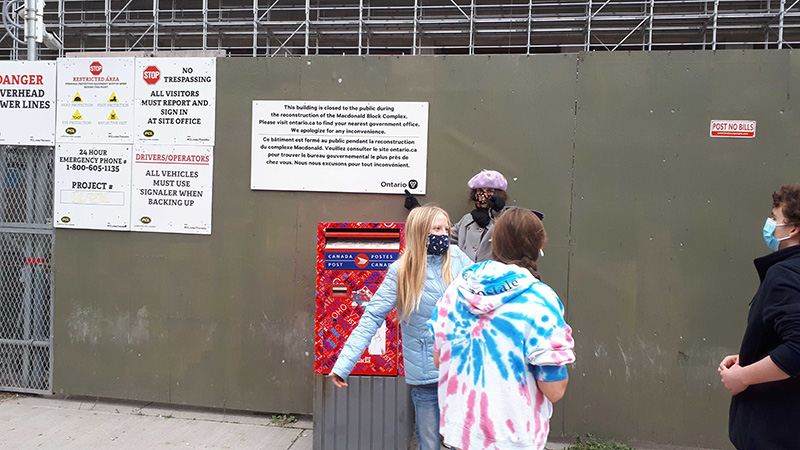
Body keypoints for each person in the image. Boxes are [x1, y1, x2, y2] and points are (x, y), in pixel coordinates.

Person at [430, 207, 575, 450]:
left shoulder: (457, 288)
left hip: (461, 434)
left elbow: (438, 358)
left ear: (494, 242)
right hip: (514, 437)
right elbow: (554, 390)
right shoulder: (540, 299)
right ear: (539, 246)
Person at [329, 205, 472, 450]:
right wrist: (343, 365)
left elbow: (485, 296)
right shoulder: (401, 271)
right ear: (419, 232)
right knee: (429, 443)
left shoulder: (459, 258)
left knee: (463, 442)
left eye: (446, 229)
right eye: (436, 228)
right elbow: (371, 317)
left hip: (462, 371)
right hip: (425, 375)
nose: (444, 235)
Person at [718, 183, 800, 450]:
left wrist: (743, 377)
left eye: (775, 219)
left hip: (775, 429)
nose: (770, 225)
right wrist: (753, 357)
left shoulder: (784, 275)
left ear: (793, 228)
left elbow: (797, 348)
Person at [405, 169, 543, 262]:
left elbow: (517, 236)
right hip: (465, 282)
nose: (483, 195)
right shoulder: (467, 220)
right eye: (480, 190)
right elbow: (444, 237)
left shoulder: (507, 218)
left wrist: (498, 213)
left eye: (490, 191)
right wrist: (418, 211)